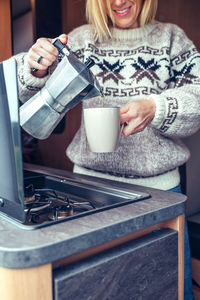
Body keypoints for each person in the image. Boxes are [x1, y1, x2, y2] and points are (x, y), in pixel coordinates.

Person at [16, 0, 200, 298]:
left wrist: (156, 107)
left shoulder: (171, 38)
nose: (117, 1)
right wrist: (35, 67)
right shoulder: (81, 41)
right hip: (87, 191)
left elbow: (197, 94)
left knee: (166, 288)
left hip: (159, 194)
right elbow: (25, 96)